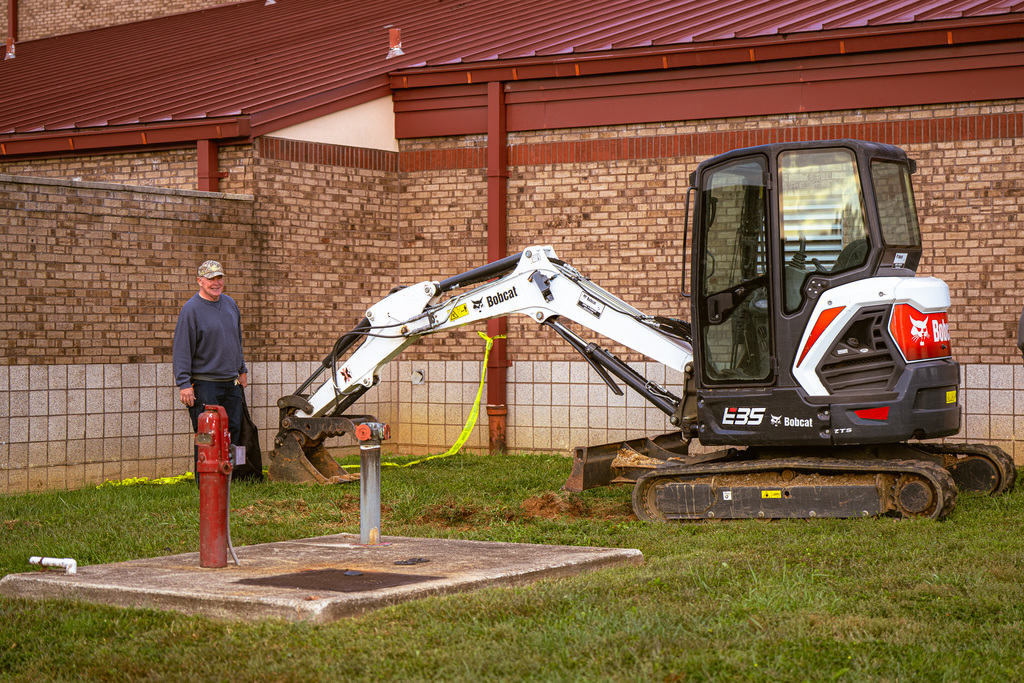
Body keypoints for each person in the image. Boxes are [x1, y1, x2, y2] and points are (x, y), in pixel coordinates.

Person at [173, 260, 248, 476]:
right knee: (208, 435)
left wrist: (242, 370)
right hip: (205, 386)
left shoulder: (230, 304)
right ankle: (206, 481)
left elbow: (236, 340)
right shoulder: (191, 310)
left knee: (233, 431)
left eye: (219, 278)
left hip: (231, 384)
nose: (216, 283)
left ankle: (230, 477)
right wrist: (184, 384)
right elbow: (181, 349)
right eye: (211, 279)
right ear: (200, 281)